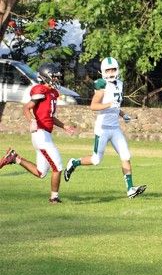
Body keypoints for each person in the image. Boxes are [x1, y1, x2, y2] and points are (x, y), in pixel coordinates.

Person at [62, 57, 147, 199]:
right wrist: (109, 105)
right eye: (108, 70)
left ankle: (130, 189)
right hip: (103, 129)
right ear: (103, 71)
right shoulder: (102, 86)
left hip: (115, 128)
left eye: (113, 69)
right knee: (96, 160)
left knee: (126, 156)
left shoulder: (120, 84)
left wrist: (123, 114)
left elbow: (115, 106)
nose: (111, 72)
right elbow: (93, 106)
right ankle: (74, 162)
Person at [0, 63, 76, 203]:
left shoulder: (52, 93)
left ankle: (14, 158)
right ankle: (54, 198)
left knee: (41, 173)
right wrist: (32, 121)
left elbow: (50, 117)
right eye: (54, 77)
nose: (56, 80)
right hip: (40, 134)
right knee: (58, 166)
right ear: (46, 77)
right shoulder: (40, 90)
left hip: (45, 134)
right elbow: (26, 108)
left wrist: (64, 126)